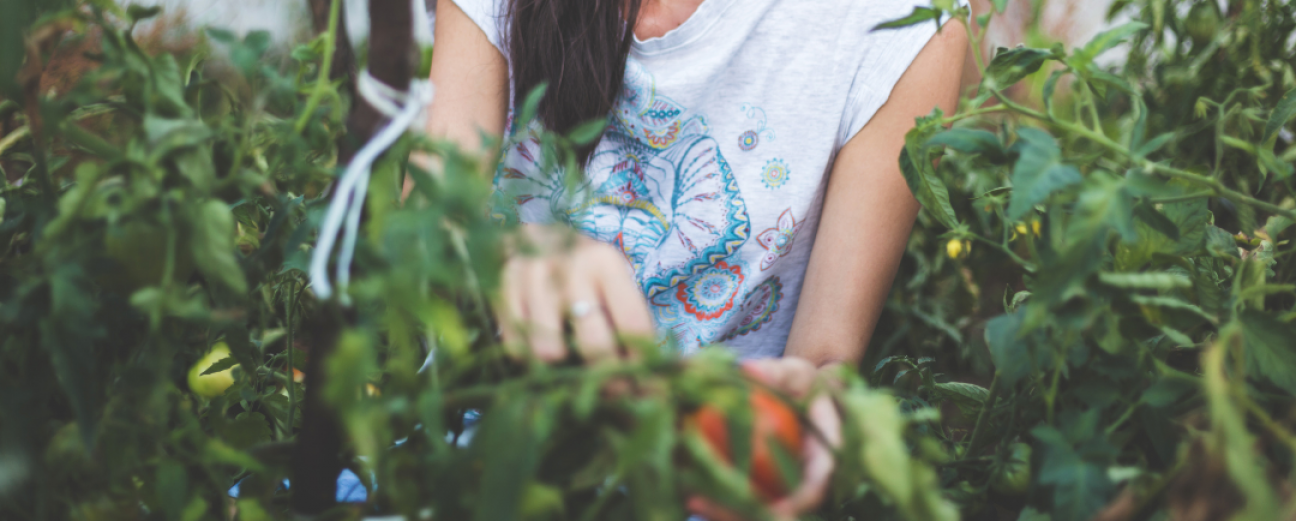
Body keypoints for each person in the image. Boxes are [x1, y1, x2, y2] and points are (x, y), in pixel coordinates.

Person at [423, 0, 966, 518]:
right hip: (475, 439)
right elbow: (427, 239)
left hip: (705, 477)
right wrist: (504, 258)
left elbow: (823, 360)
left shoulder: (902, 25)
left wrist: (810, 416)